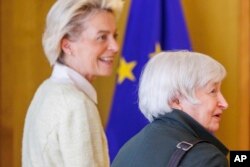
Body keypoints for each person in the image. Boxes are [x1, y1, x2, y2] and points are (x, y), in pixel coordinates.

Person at [22, 0, 120, 166]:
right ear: (67, 46)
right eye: (102, 37)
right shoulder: (75, 104)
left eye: (114, 36)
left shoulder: (46, 89)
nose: (115, 46)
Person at [111, 51, 229, 167]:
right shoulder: (206, 159)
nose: (224, 103)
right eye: (213, 91)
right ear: (176, 100)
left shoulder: (128, 149)